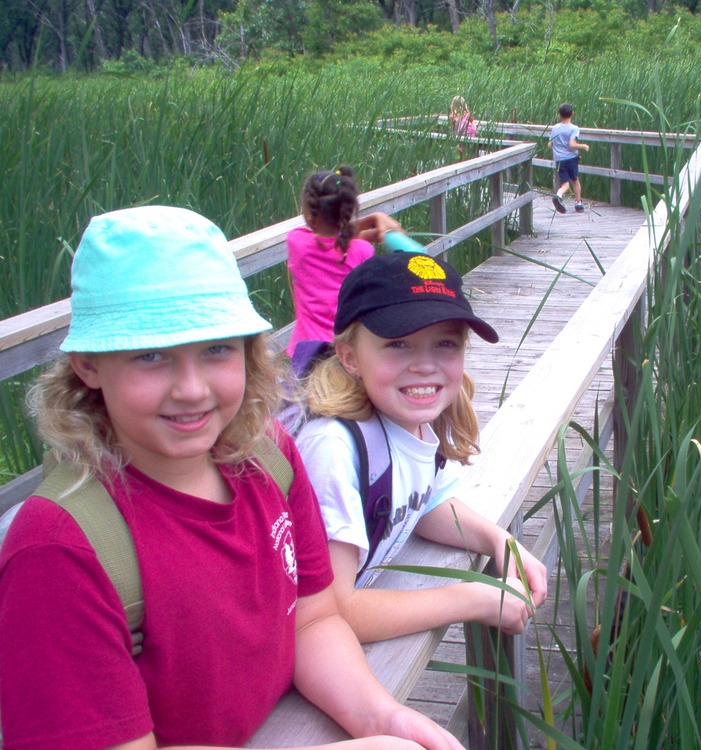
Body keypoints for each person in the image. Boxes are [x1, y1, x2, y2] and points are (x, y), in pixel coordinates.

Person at [0, 205, 462, 750]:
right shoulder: (60, 549)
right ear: (89, 365)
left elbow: (311, 620)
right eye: (151, 356)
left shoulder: (269, 455)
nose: (193, 389)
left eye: (217, 349)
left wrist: (381, 718)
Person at [293, 252, 549, 644]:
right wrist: (473, 599)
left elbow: (426, 502)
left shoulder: (407, 422)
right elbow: (333, 611)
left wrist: (500, 541)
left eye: (445, 344)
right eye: (398, 344)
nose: (425, 366)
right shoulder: (333, 448)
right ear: (349, 357)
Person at [286, 166, 403, 375]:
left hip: (305, 351)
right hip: (343, 350)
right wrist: (373, 221)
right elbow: (345, 241)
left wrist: (366, 224)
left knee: (304, 405)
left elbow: (328, 239)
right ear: (348, 210)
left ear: (309, 214)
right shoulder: (363, 250)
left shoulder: (297, 243)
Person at [548, 102, 590, 214]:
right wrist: (583, 146)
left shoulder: (555, 128)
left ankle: (558, 195)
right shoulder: (574, 128)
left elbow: (549, 144)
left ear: (559, 114)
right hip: (571, 159)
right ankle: (578, 203)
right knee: (575, 180)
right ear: (572, 114)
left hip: (559, 160)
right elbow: (572, 144)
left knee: (565, 184)